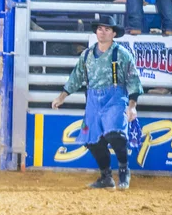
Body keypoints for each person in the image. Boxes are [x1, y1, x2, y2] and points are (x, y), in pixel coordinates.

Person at [52, 15, 143, 190]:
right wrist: (61, 97)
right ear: (96, 32)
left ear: (113, 33)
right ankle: (105, 176)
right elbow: (76, 77)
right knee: (92, 140)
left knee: (115, 134)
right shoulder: (86, 55)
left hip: (115, 98)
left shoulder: (122, 54)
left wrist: (132, 106)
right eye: (100, 29)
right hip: (93, 100)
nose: (103, 32)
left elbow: (133, 80)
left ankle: (124, 170)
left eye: (107, 29)